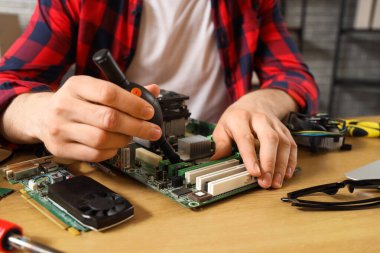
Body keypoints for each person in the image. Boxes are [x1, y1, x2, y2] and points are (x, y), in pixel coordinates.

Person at [0, 0, 319, 189]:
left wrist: (258, 102)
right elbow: (8, 81)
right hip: (114, 172)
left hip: (227, 161)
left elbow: (293, 75)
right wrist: (40, 114)